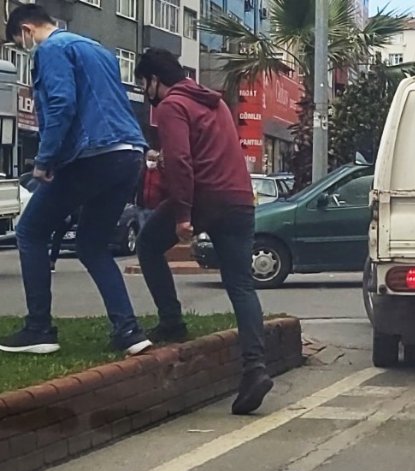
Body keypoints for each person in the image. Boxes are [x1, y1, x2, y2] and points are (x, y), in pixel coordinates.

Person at [0, 5, 152, 356]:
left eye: (19, 43)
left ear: (26, 29)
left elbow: (61, 104)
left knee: (30, 232)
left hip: (93, 153)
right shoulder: (97, 48)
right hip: (129, 154)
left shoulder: (52, 49)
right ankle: (128, 331)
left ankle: (39, 328)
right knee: (92, 244)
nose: (24, 49)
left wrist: (45, 159)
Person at [134, 48, 271, 415]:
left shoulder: (172, 106)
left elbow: (181, 161)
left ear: (154, 80)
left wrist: (183, 215)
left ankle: (172, 321)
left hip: (206, 196)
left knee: (148, 245)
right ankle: (255, 369)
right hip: (240, 196)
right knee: (241, 285)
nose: (144, 91)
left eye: (143, 83)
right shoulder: (213, 100)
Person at [136, 149, 166, 228]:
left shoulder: (161, 173)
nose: (151, 162)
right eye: (149, 159)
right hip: (142, 207)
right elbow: (138, 187)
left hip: (156, 209)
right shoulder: (142, 172)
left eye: (153, 160)